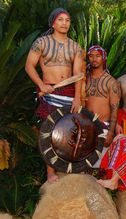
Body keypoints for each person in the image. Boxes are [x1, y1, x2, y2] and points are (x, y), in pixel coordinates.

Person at [25, 8, 83, 183]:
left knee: (71, 133)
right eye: (60, 20)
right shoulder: (41, 43)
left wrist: (78, 97)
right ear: (53, 23)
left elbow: (78, 74)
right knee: (49, 132)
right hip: (49, 92)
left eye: (67, 20)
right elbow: (29, 66)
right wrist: (41, 84)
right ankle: (51, 171)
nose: (64, 23)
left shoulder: (75, 46)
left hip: (69, 93)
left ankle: (69, 167)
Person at [84, 45, 120, 167]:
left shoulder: (111, 82)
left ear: (103, 58)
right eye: (91, 56)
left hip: (103, 127)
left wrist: (110, 132)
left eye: (98, 56)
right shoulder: (83, 79)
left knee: (100, 166)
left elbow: (115, 109)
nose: (94, 59)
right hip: (85, 126)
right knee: (84, 164)